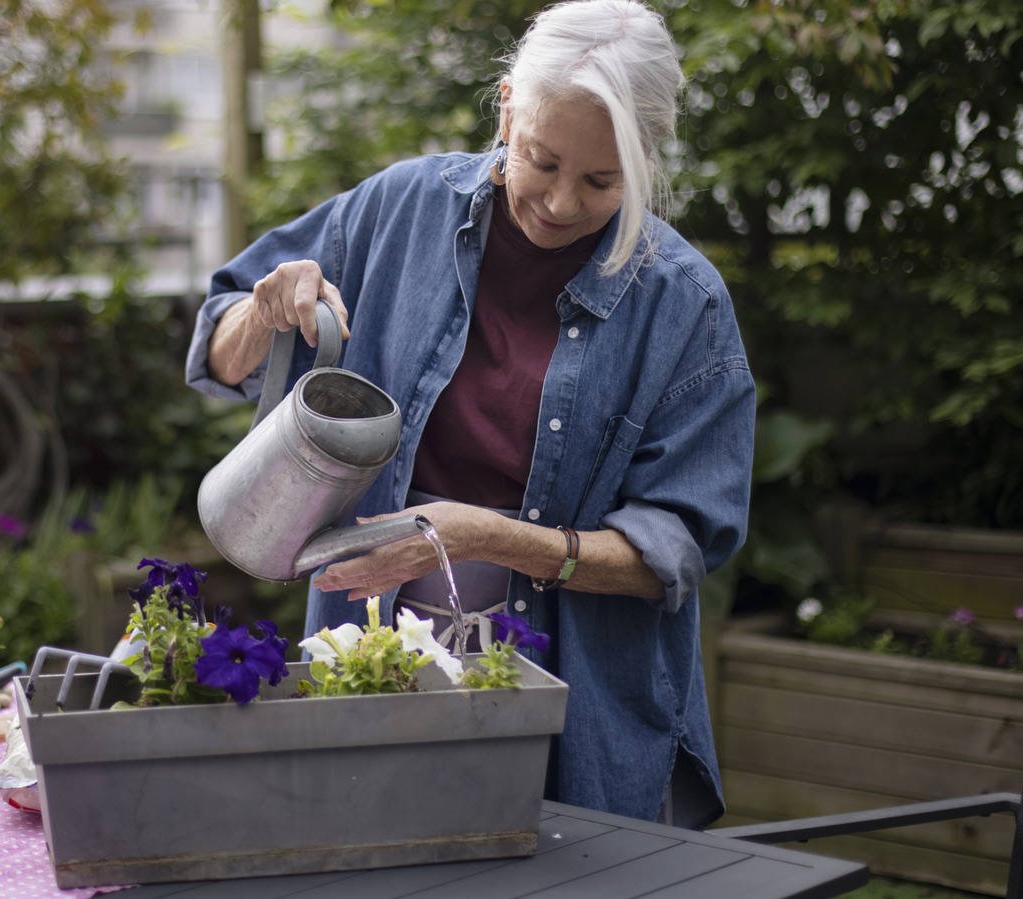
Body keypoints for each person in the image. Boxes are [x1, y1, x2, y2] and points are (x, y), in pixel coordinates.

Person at [185, 0, 753, 829]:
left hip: (579, 712)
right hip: (366, 672)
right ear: (505, 107)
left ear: (648, 156)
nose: (560, 201)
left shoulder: (684, 306)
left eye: (601, 181)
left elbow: (673, 552)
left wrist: (479, 535)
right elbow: (217, 349)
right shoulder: (396, 211)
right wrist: (264, 313)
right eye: (541, 159)